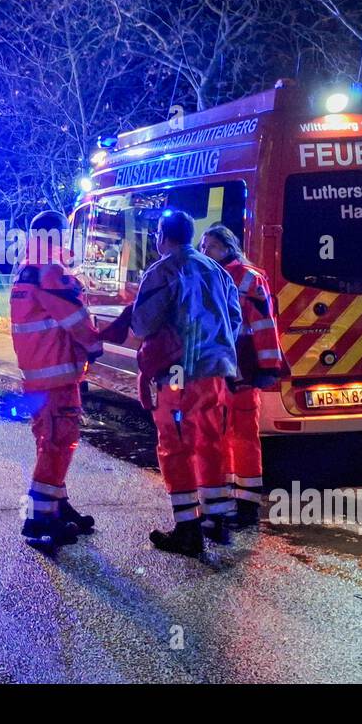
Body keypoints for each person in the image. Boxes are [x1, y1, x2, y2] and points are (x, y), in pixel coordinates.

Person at [130, 210, 241, 556]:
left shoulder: (163, 270)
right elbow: (234, 318)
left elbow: (143, 324)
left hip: (179, 373)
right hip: (215, 371)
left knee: (175, 446)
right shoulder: (217, 270)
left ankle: (187, 529)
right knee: (210, 441)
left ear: (162, 235)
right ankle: (217, 519)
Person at [9, 210, 103, 549]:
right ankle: (38, 520)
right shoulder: (52, 271)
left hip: (37, 376)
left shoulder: (27, 270)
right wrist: (94, 345)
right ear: (59, 236)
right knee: (58, 443)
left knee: (49, 443)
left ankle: (58, 507)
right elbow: (75, 318)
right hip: (58, 374)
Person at [200, 224, 286, 527]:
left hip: (242, 370)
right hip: (220, 370)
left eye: (210, 245)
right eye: (202, 245)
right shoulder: (210, 275)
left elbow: (264, 326)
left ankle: (248, 506)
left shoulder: (248, 279)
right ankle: (226, 502)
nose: (204, 251)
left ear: (227, 247)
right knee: (221, 436)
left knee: (243, 436)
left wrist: (267, 366)